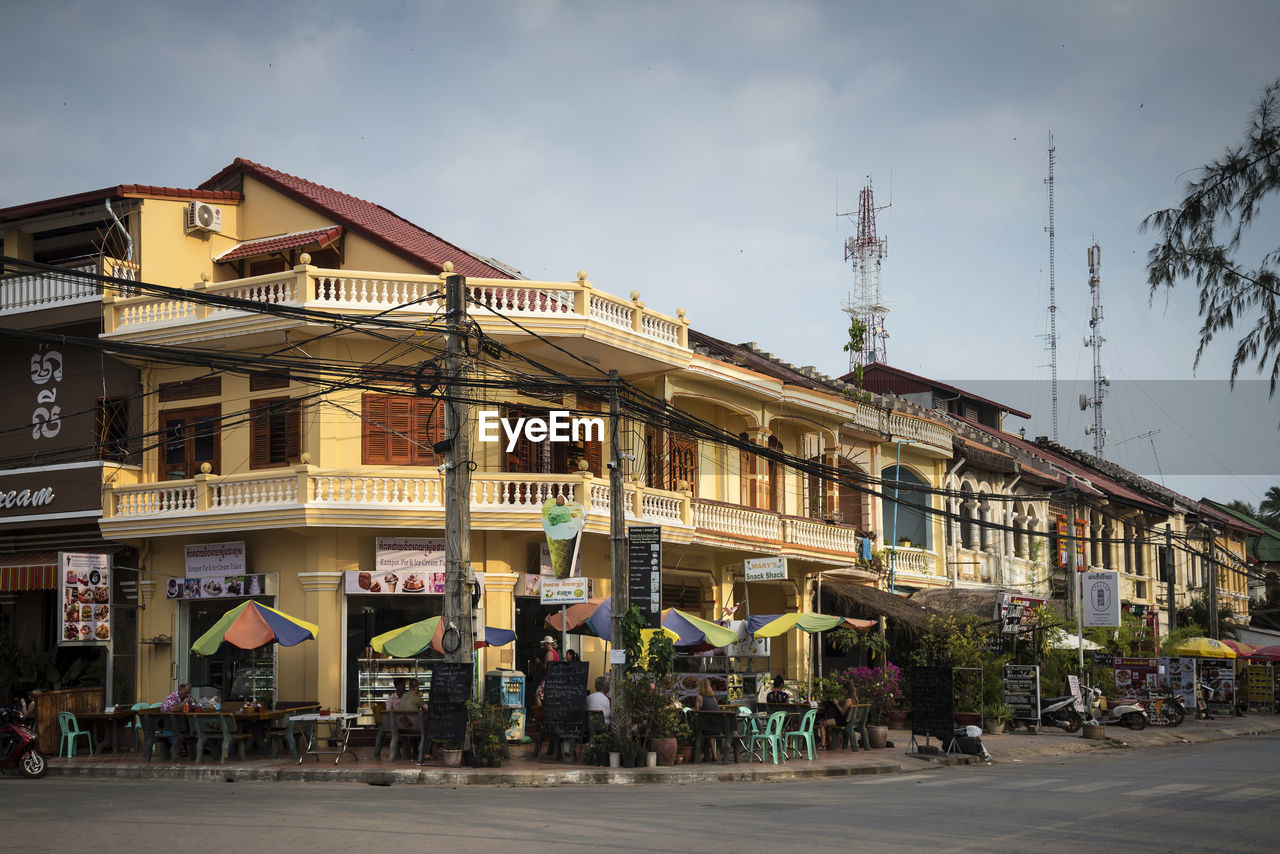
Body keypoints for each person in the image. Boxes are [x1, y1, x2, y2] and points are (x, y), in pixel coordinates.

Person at [820, 683, 859, 749]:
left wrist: (837, 704)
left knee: (822, 723)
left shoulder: (848, 700)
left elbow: (843, 712)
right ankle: (830, 744)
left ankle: (823, 745)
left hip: (842, 721)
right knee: (827, 723)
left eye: (844, 690)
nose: (843, 692)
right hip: (849, 720)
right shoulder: (855, 699)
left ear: (847, 690)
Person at [693, 677, 722, 760]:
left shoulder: (699, 697)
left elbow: (696, 712)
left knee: (701, 729)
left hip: (706, 728)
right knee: (709, 727)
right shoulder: (714, 699)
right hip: (718, 728)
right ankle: (713, 756)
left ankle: (708, 756)